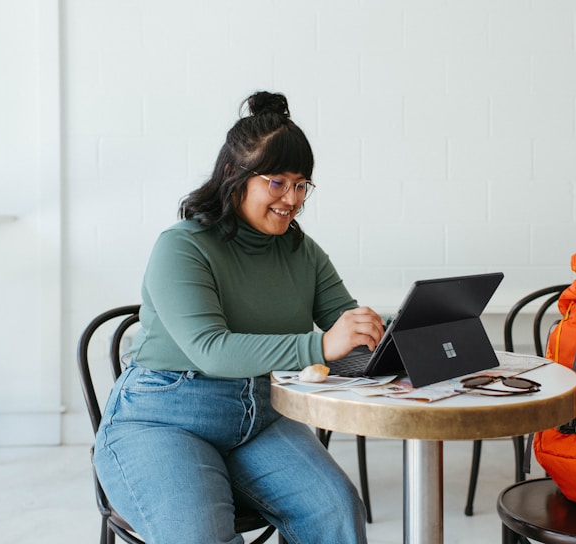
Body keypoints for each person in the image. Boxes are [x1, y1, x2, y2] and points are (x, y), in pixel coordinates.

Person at [93, 91, 384, 544]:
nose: (293, 198)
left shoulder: (301, 252)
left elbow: (346, 324)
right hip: (162, 421)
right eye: (278, 182)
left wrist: (393, 334)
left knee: (337, 514)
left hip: (261, 419)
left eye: (302, 184)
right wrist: (321, 345)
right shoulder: (182, 247)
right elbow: (212, 350)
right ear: (235, 175)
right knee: (200, 536)